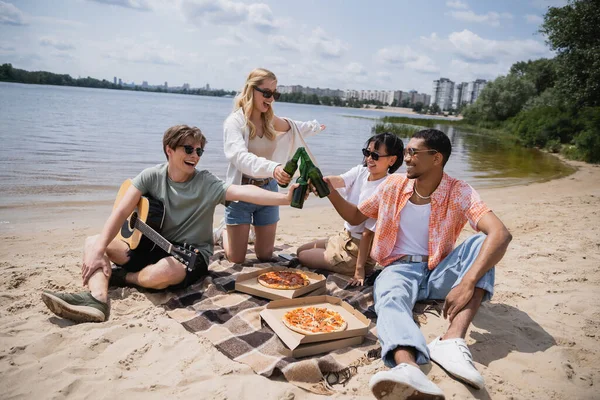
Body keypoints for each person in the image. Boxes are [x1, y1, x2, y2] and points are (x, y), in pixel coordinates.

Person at [41, 125, 300, 324]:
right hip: (151, 246)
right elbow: (121, 210)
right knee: (92, 242)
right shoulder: (151, 176)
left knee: (162, 275)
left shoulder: (206, 183)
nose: (195, 156)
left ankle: (122, 277)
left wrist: (284, 198)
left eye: (199, 151)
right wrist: (99, 250)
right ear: (169, 149)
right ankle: (97, 301)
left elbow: (244, 192)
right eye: (188, 149)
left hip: (189, 255)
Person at [324, 129, 512, 399]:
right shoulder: (393, 185)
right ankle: (407, 367)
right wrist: (329, 191)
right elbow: (355, 216)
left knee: (483, 244)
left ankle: (452, 341)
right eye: (407, 152)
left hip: (439, 269)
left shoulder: (460, 192)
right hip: (398, 268)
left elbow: (500, 233)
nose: (407, 158)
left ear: (436, 159)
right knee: (389, 298)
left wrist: (467, 282)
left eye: (413, 153)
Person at [222, 67, 325, 264]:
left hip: (268, 190)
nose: (271, 99)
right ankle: (223, 233)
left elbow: (294, 127)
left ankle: (243, 233)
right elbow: (240, 157)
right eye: (267, 93)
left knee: (265, 256)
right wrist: (274, 168)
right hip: (241, 193)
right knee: (236, 259)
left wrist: (315, 127)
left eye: (275, 94)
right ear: (251, 90)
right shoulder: (234, 123)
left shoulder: (269, 119)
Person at [296, 132, 404, 285]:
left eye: (375, 155)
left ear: (392, 160)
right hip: (343, 237)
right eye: (367, 153)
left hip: (356, 250)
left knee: (303, 256)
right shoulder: (361, 171)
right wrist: (318, 182)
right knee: (300, 250)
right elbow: (339, 180)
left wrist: (359, 270)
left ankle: (354, 267)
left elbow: (367, 234)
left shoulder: (387, 187)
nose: (369, 159)